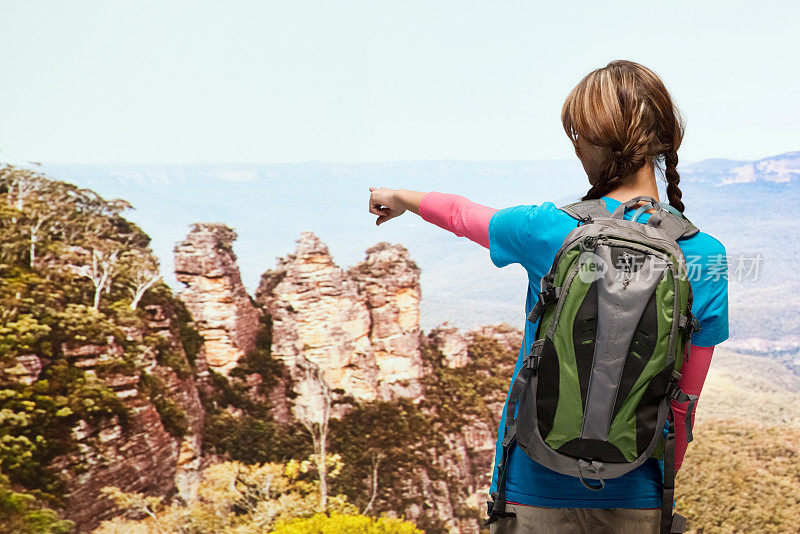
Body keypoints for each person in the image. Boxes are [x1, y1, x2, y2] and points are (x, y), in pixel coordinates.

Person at [367, 60, 729, 534]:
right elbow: (685, 403)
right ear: (662, 141)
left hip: (532, 493)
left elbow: (461, 213)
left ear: (593, 141)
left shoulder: (546, 228)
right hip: (638, 496)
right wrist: (656, 482)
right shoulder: (705, 256)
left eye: (577, 134)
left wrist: (398, 196)